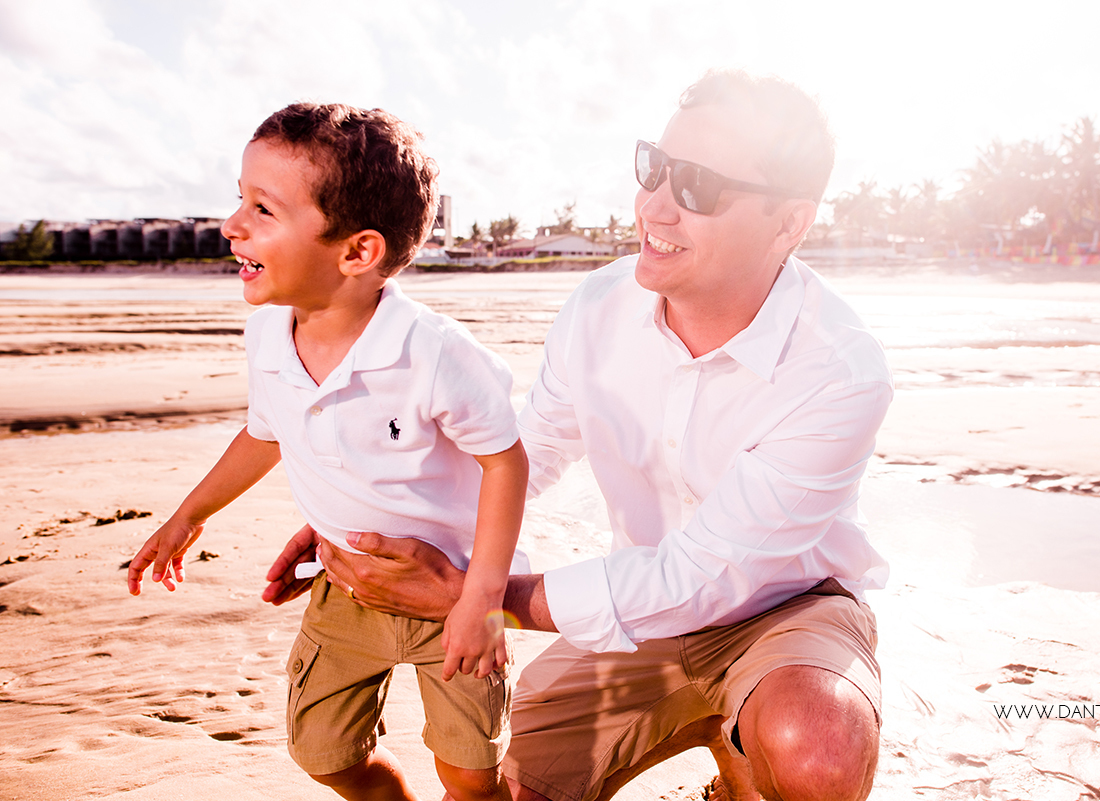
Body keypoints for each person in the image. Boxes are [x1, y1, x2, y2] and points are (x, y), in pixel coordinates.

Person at [268, 69, 892, 801]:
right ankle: (728, 746)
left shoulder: (839, 369)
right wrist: (376, 514)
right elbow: (530, 453)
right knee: (487, 785)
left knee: (814, 747)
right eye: (654, 168)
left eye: (698, 186)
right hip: (641, 622)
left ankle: (743, 760)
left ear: (789, 224)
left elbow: (701, 577)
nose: (655, 204)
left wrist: (480, 598)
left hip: (790, 613)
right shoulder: (599, 305)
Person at [127, 102, 529, 801]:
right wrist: (188, 515)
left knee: (470, 775)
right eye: (238, 200)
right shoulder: (267, 336)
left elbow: (506, 461)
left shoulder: (434, 354)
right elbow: (266, 432)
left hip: (451, 593)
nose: (232, 225)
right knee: (325, 753)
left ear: (357, 252)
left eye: (263, 209)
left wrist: (483, 599)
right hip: (344, 586)